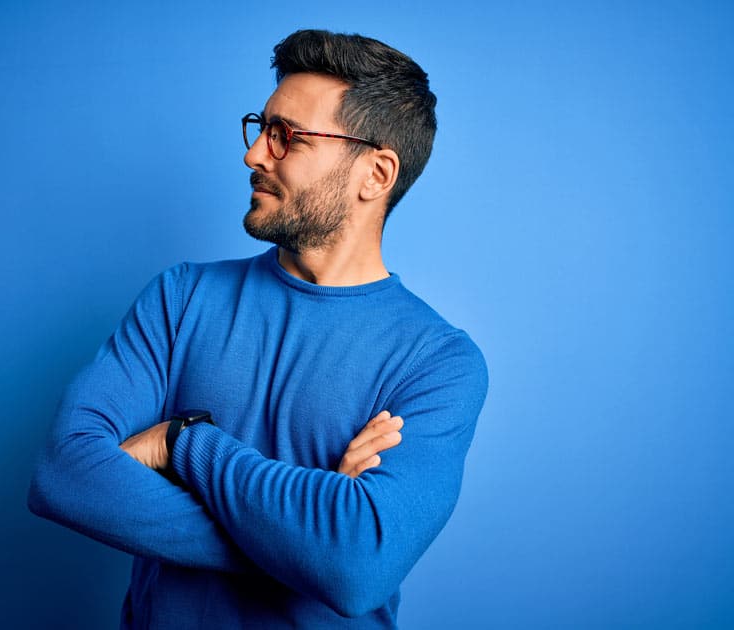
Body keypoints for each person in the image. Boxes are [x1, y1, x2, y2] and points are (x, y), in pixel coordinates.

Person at [28, 29, 488, 629]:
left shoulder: (437, 362)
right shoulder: (181, 297)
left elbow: (357, 567)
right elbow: (63, 475)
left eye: (287, 137)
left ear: (375, 174)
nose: (254, 155)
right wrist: (307, 537)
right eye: (261, 127)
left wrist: (184, 442)